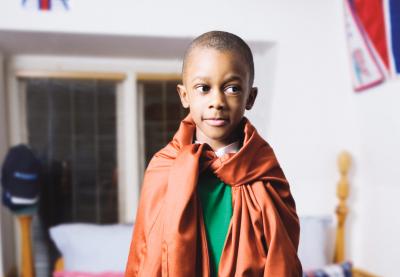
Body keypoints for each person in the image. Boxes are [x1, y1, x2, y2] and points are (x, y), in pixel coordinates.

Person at [125, 31, 302, 276]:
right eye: (203, 88)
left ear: (250, 97)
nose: (216, 101)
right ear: (184, 95)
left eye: (232, 88)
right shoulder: (163, 168)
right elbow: (143, 257)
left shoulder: (265, 173)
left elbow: (284, 262)